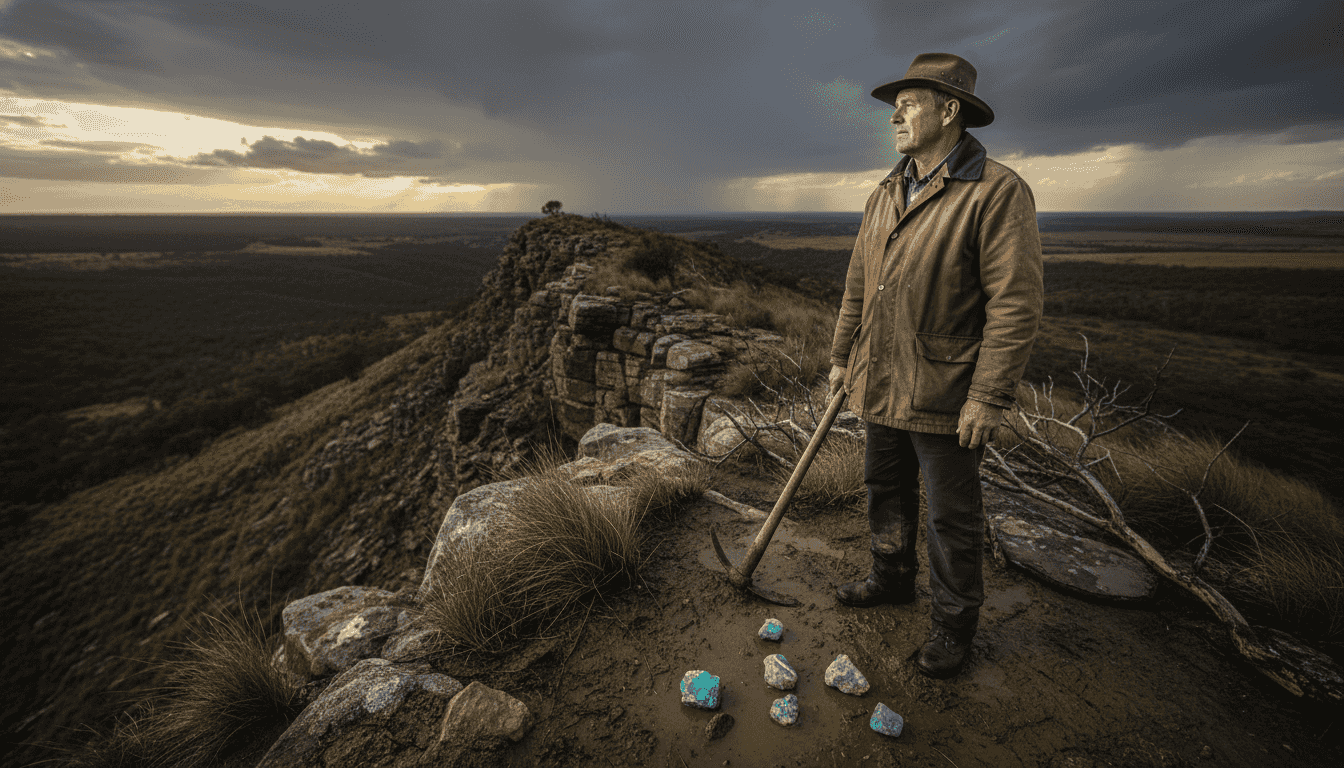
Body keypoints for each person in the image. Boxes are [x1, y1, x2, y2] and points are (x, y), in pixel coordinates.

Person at [828, 52, 1043, 678]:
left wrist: (989, 395)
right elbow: (857, 287)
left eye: (908, 104)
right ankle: (891, 577)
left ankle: (953, 625)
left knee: (952, 515)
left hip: (946, 387)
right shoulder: (886, 191)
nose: (894, 115)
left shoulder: (996, 191)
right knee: (885, 487)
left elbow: (1015, 304)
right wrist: (841, 358)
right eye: (895, 106)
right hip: (880, 375)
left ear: (949, 111)